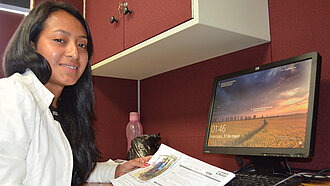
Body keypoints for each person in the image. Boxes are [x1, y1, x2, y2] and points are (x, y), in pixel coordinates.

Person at [0, 1, 151, 186]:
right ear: (32, 45)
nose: (74, 52)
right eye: (60, 40)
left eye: (82, 45)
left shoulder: (59, 107)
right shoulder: (12, 95)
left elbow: (66, 170)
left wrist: (117, 170)